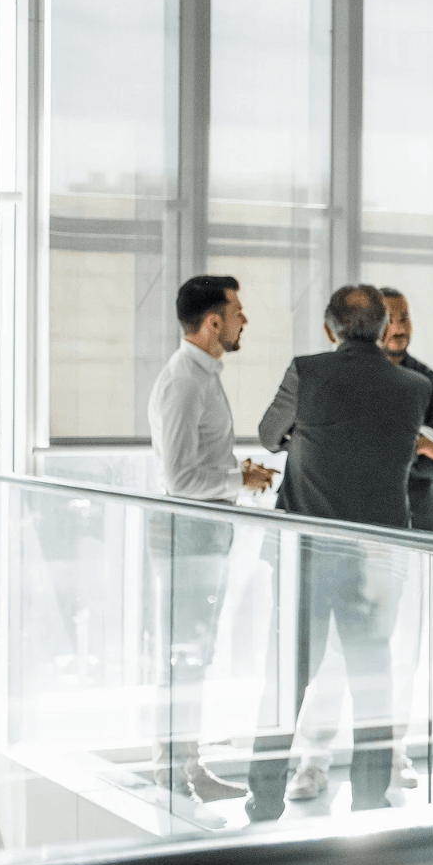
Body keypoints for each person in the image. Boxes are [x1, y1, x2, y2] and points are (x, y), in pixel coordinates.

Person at [248, 285, 430, 821]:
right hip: (380, 552)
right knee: (373, 678)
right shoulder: (414, 387)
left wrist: (304, 440)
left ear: (331, 327)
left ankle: (263, 795)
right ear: (380, 328)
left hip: (307, 552)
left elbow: (266, 434)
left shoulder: (307, 371)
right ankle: (370, 799)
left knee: (286, 677)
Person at [145, 275, 275, 805]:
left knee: (195, 653)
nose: (245, 320)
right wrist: (237, 480)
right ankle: (174, 771)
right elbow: (178, 480)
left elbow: (196, 462)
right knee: (185, 656)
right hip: (188, 537)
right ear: (214, 322)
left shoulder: (203, 375)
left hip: (204, 536)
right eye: (238, 311)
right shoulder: (184, 380)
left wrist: (233, 472)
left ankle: (185, 766)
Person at [379, 288, 433, 533]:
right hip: (365, 518)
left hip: (420, 521)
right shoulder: (355, 382)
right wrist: (418, 446)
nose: (399, 329)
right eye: (388, 320)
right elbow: (351, 455)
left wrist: (385, 453)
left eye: (404, 318)